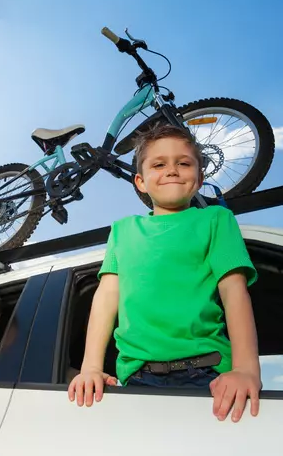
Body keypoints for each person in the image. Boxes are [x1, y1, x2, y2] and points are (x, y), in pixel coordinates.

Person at [68, 124, 261, 423]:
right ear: (140, 182)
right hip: (138, 378)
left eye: (183, 163)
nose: (172, 170)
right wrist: (91, 367)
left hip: (208, 373)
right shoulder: (122, 230)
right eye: (159, 164)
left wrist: (246, 370)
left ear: (198, 179)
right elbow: (107, 297)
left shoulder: (216, 219)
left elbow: (234, 291)